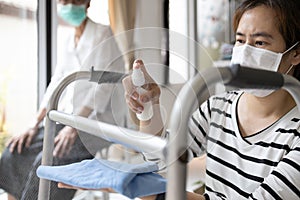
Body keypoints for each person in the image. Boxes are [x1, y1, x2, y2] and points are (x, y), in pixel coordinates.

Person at [121, 0, 300, 199]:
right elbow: (164, 159)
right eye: (240, 41)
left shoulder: (295, 134)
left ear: (295, 53)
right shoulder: (218, 107)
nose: (245, 52)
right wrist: (148, 108)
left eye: (260, 43)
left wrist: (159, 195)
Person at [0, 0, 125, 199]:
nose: (67, 5)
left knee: (49, 161)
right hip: (64, 121)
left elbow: (103, 89)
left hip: (93, 125)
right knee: (15, 151)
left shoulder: (103, 35)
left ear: (86, 3)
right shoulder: (68, 40)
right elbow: (55, 83)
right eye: (64, 1)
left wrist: (74, 126)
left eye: (73, 0)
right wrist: (34, 124)